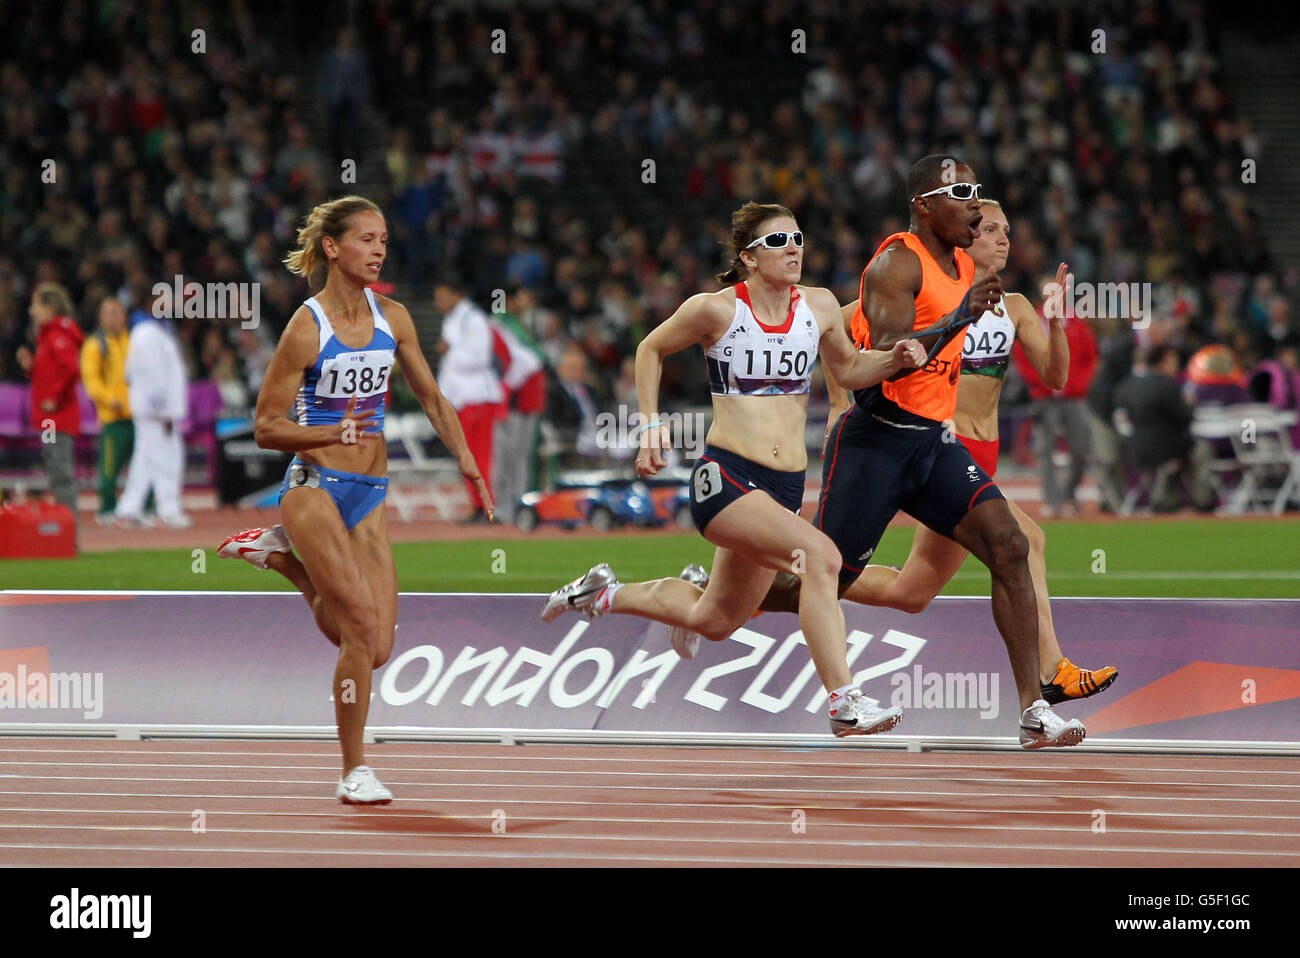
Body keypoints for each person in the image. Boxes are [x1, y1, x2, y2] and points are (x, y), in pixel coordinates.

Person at [541, 202, 927, 738]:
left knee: (714, 621)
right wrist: (650, 427)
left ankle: (600, 593)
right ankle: (844, 699)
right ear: (748, 258)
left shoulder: (818, 307)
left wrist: (893, 361)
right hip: (725, 479)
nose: (794, 248)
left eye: (798, 238)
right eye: (778, 242)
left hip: (785, 487)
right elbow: (650, 348)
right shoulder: (716, 310)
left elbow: (849, 368)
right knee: (821, 558)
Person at [756, 156, 1087, 749]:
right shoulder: (895, 262)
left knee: (1011, 546)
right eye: (962, 194)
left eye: (978, 193)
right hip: (877, 443)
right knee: (830, 576)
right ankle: (728, 595)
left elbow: (1052, 370)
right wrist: (961, 318)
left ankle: (1035, 711)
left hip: (934, 444)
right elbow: (886, 353)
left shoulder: (967, 266)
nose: (975, 205)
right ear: (924, 205)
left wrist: (1031, 313)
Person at [217, 195, 492, 803]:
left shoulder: (394, 317)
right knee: (361, 627)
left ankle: (283, 561)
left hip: (370, 492)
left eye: (385, 241)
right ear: (334, 248)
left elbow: (432, 396)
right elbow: (265, 427)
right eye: (367, 239)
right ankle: (353, 769)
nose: (378, 250)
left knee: (377, 646)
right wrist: (328, 433)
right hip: (313, 487)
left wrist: (467, 460)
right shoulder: (306, 326)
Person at [818, 199, 1117, 707]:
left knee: (911, 593)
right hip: (945, 452)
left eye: (1008, 231)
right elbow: (837, 327)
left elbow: (1056, 377)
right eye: (993, 230)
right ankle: (1052, 673)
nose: (1004, 240)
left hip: (986, 449)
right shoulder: (931, 292)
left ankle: (780, 586)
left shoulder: (1016, 305)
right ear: (966, 236)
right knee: (1029, 543)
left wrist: (1058, 321)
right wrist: (836, 401)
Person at [1014, 274, 1099, 518]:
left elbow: (1090, 357)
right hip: (1044, 397)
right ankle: (1053, 500)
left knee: (1080, 448)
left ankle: (1068, 495)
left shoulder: (1076, 321)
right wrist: (1041, 382)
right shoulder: (1032, 319)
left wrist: (1078, 384)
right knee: (1045, 450)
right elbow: (1024, 356)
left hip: (1073, 396)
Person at [113, 288, 192, 528]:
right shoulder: (148, 332)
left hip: (148, 407)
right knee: (167, 457)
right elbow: (152, 374)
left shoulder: (149, 329)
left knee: (145, 458)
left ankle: (129, 509)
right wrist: (163, 410)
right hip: (156, 410)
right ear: (151, 302)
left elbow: (129, 374)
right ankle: (168, 509)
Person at [1113, 343, 1215, 512]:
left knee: (1178, 456)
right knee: (1202, 449)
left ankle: (1167, 495)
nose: (1176, 365)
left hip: (1133, 450)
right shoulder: (1166, 386)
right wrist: (1188, 404)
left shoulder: (1127, 386)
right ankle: (1202, 501)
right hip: (1165, 450)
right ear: (1164, 361)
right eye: (1173, 360)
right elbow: (1186, 419)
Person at [434, 278, 504, 522]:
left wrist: (450, 348)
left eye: (442, 297)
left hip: (477, 397)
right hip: (464, 399)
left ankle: (487, 507)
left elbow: (480, 358)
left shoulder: (474, 320)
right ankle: (479, 505)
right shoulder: (453, 320)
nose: (438, 303)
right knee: (467, 455)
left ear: (456, 295)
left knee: (478, 455)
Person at [16, 282, 83, 533]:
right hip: (48, 420)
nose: (32, 311)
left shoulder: (58, 336)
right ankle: (65, 533)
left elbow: (71, 370)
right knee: (54, 470)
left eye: (35, 304)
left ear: (49, 307)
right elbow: (51, 373)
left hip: (57, 418)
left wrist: (54, 398)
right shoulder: (49, 336)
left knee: (61, 474)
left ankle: (69, 534)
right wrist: (31, 366)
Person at [80, 296, 133, 525]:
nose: (113, 317)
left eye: (117, 312)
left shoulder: (131, 340)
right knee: (110, 466)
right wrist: (110, 401)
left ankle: (144, 508)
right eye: (108, 312)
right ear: (101, 317)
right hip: (112, 417)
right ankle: (107, 509)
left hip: (138, 414)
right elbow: (91, 380)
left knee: (143, 465)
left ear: (124, 316)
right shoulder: (95, 343)